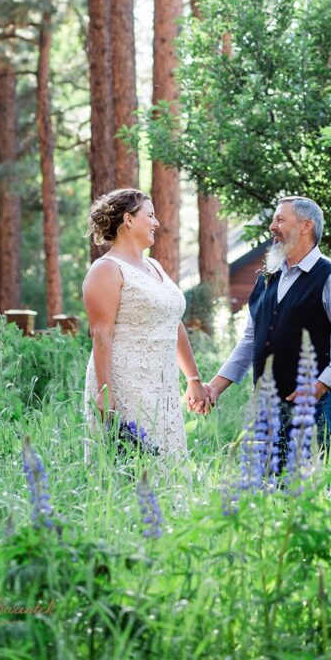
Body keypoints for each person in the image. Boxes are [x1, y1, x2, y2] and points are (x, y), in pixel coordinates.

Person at [200, 196, 331, 456]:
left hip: (309, 410)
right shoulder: (267, 278)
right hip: (263, 406)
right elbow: (249, 341)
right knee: (263, 487)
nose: (272, 227)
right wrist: (214, 388)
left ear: (306, 225)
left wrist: (319, 387)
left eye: (280, 219)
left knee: (303, 488)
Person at [83, 188, 211, 462]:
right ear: (128, 220)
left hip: (161, 383)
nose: (157, 223)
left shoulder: (154, 266)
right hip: (125, 382)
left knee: (168, 464)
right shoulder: (106, 269)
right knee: (132, 464)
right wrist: (105, 393)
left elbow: (173, 324)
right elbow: (100, 332)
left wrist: (193, 380)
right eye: (150, 216)